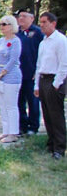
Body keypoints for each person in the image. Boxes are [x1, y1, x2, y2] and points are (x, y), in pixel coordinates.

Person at [34, 12, 67, 160]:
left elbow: (64, 63)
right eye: (40, 22)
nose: (41, 25)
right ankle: (51, 143)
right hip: (43, 79)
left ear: (53, 23)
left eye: (44, 22)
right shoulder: (43, 42)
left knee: (56, 115)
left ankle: (60, 148)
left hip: (55, 80)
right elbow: (39, 64)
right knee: (47, 114)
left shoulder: (60, 40)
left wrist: (56, 83)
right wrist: (36, 84)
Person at [0, 15, 22, 143]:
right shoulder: (0, 41)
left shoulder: (15, 41)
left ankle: (13, 133)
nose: (2, 27)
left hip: (11, 75)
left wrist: (2, 73)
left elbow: (13, 59)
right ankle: (5, 131)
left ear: (11, 26)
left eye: (5, 24)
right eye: (1, 24)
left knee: (11, 105)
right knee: (2, 105)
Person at [15, 7, 43, 136]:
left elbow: (42, 53)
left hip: (31, 73)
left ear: (32, 18)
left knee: (33, 101)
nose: (21, 19)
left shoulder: (37, 32)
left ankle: (33, 126)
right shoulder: (16, 33)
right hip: (17, 74)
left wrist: (38, 71)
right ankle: (22, 125)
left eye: (24, 16)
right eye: (20, 16)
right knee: (19, 101)